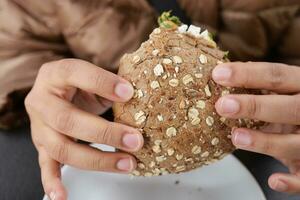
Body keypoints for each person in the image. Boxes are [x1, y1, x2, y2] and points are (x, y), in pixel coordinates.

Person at [0, 0, 300, 199]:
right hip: (102, 125)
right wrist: (32, 93)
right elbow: (15, 42)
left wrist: (287, 100)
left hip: (259, 134)